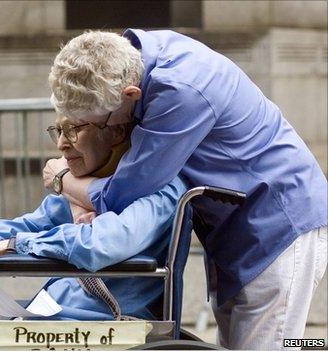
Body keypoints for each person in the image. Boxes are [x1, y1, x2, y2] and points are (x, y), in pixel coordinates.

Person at [44, 30, 327, 350]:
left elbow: (126, 192)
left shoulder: (181, 89)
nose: (110, 132)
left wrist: (63, 179)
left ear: (131, 94)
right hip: (237, 231)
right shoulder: (130, 56)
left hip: (279, 222)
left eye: (101, 123)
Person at [0, 113, 192, 325]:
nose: (61, 144)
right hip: (48, 317)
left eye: (73, 129)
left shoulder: (163, 187)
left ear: (117, 131)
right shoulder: (84, 184)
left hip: (109, 325)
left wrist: (14, 245)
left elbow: (101, 244)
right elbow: (25, 225)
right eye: (58, 131)